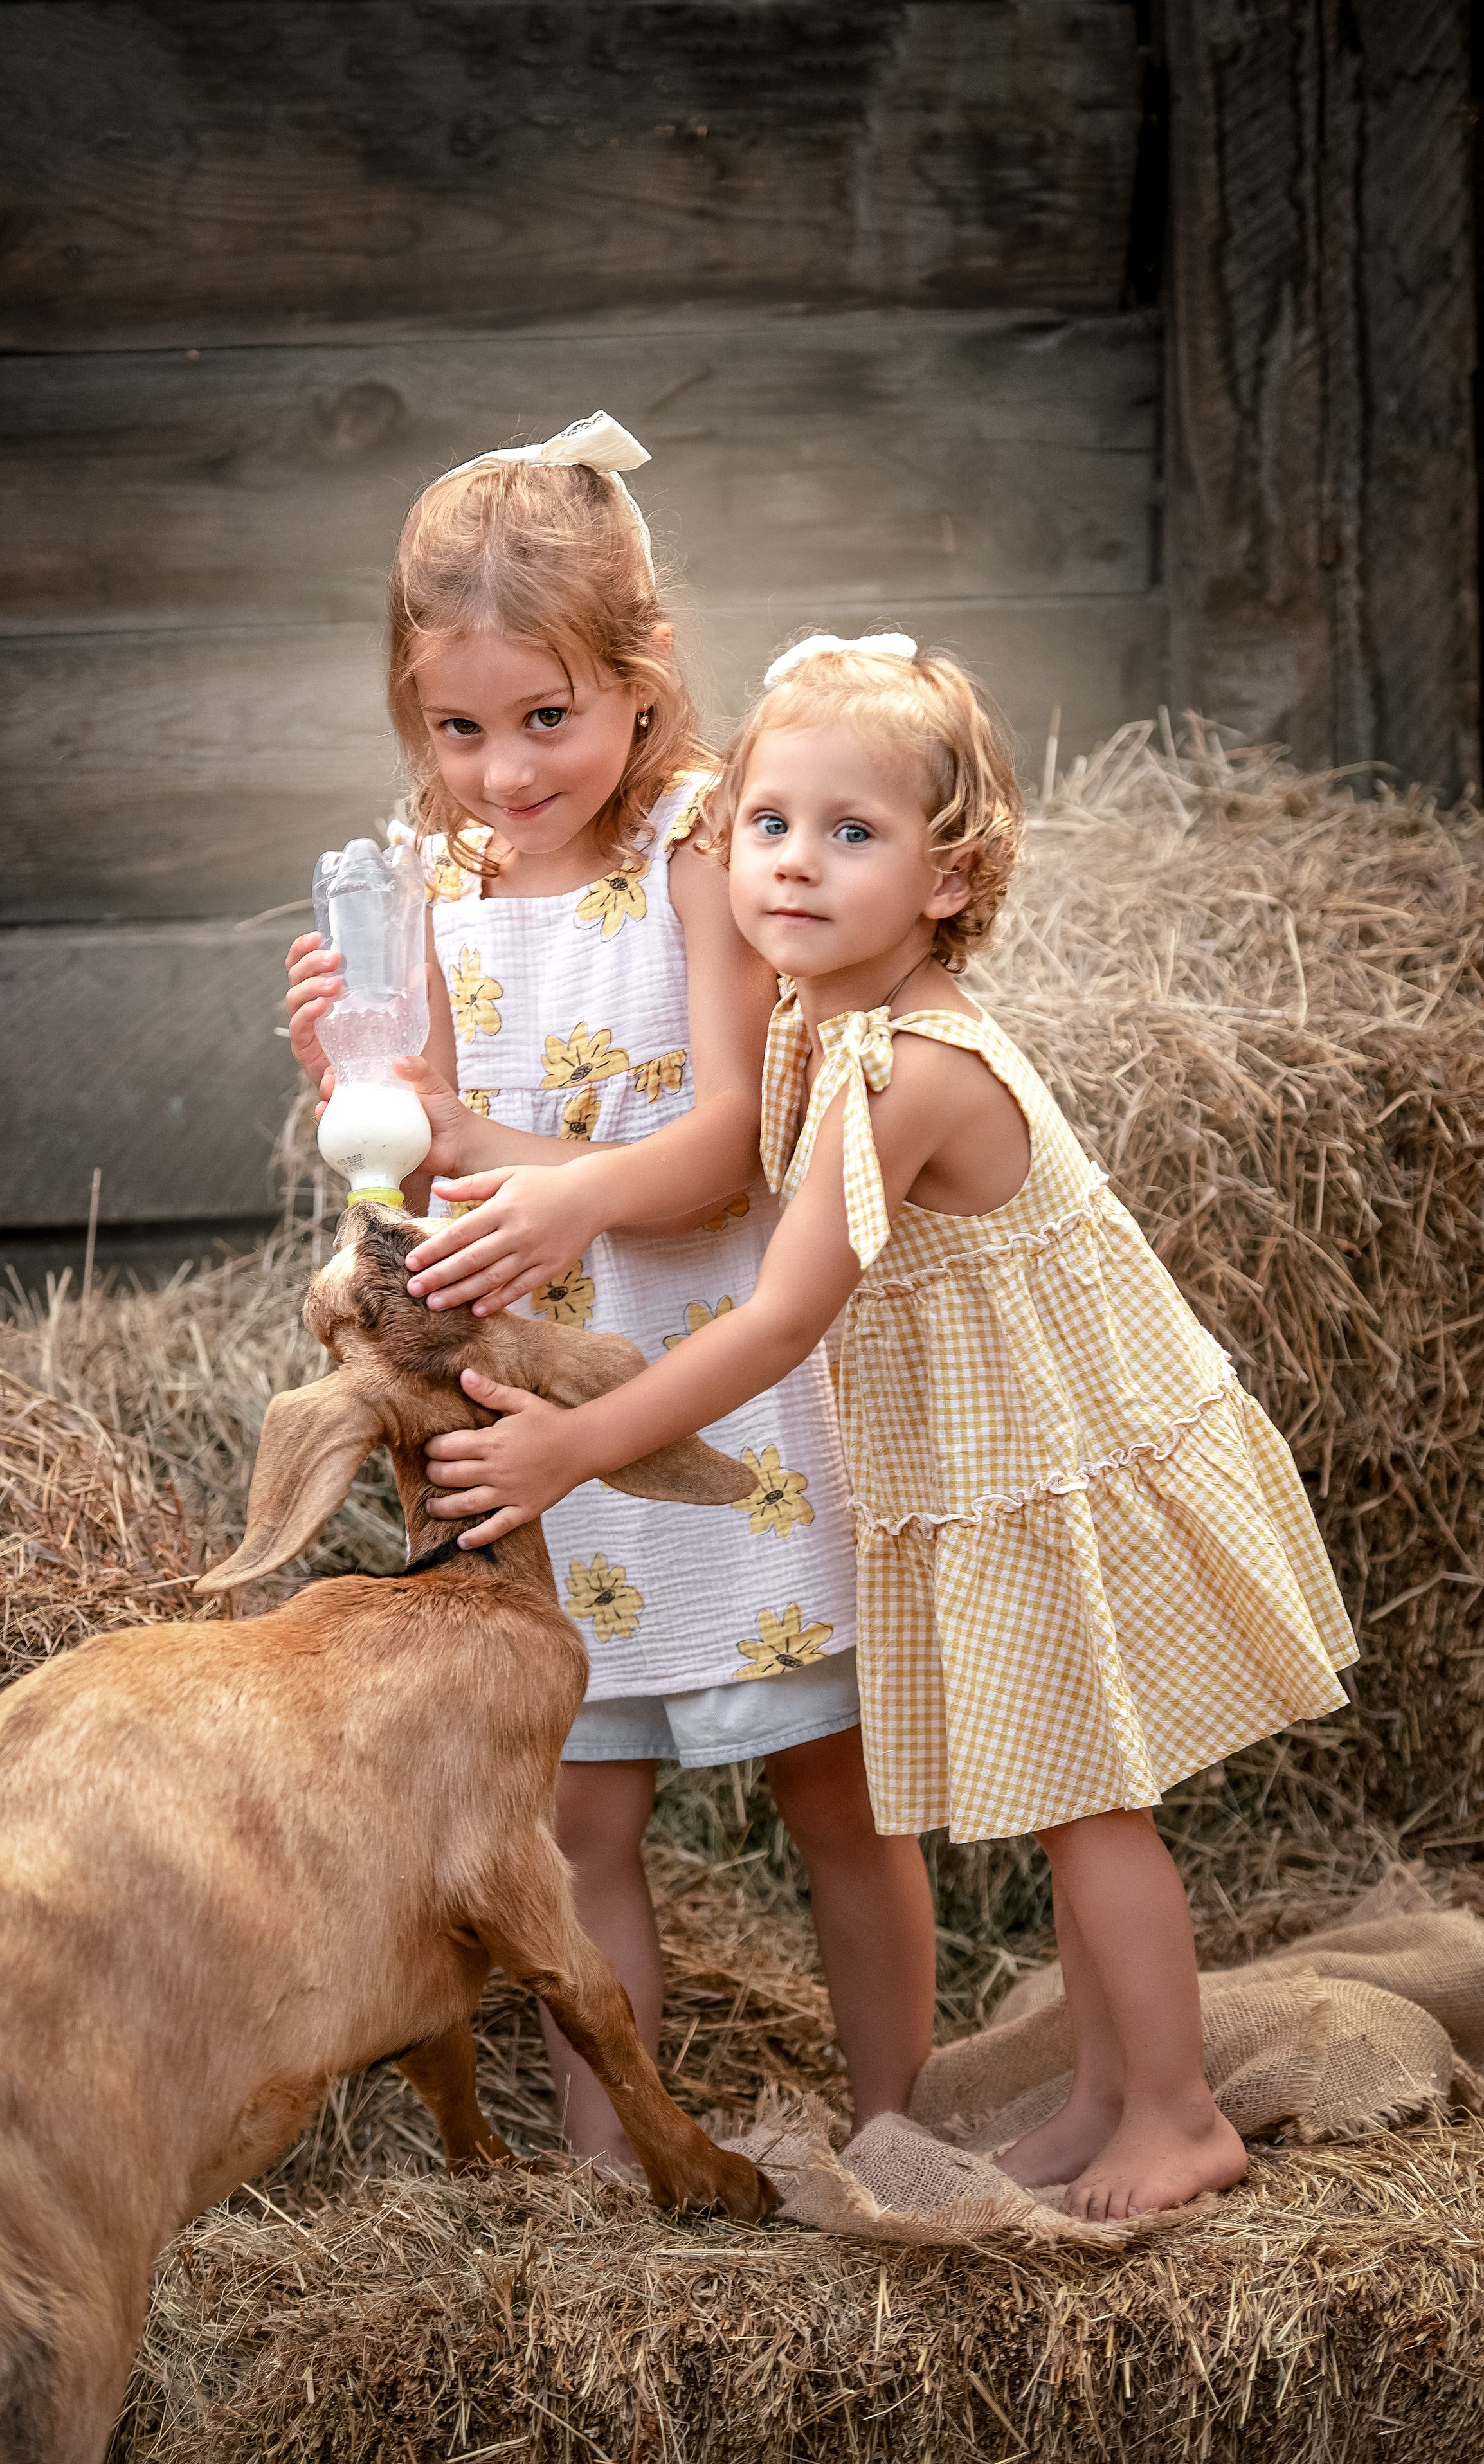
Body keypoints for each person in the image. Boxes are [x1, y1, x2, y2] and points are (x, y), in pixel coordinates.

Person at [419, 631, 1360, 2222]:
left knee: (1091, 1813)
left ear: (947, 875)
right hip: (993, 1463)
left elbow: (778, 1319)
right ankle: (1098, 2099)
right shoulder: (822, 1023)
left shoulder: (902, 1068)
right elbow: (697, 1178)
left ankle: (1178, 2111)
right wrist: (471, 1131)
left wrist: (576, 1446)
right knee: (1075, 1803)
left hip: (1062, 1460)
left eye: (849, 834)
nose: (791, 865)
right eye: (768, 826)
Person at [285, 431, 936, 2167]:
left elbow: (729, 1149)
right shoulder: (423, 883)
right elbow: (422, 1181)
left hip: (721, 1393)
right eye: (460, 727)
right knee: (580, 1811)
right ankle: (609, 2157)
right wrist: (361, 1085)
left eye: (546, 719)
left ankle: (901, 2128)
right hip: (534, 1408)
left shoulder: (695, 858)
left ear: (642, 690)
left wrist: (549, 1173)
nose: (502, 771)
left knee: (838, 1794)